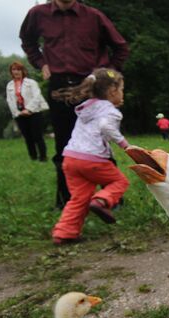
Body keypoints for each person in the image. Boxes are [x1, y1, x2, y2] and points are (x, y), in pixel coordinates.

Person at [20, 0, 129, 209]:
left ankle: (111, 198)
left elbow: (121, 47)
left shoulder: (93, 16)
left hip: (91, 86)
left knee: (101, 139)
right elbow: (28, 41)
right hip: (60, 86)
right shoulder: (38, 14)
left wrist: (104, 77)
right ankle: (67, 200)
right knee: (64, 143)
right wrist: (41, 63)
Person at [50, 68, 131, 245]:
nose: (122, 93)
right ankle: (101, 201)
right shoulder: (110, 111)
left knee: (79, 198)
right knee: (120, 182)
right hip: (93, 160)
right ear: (112, 90)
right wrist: (126, 146)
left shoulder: (87, 108)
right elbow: (106, 127)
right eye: (122, 89)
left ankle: (64, 233)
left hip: (70, 160)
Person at [5, 61, 49, 162]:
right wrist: (17, 112)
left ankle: (43, 157)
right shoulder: (9, 85)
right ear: (11, 72)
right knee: (27, 137)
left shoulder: (31, 83)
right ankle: (33, 157)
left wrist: (28, 109)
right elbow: (9, 100)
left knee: (37, 136)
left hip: (34, 112)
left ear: (23, 71)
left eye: (18, 69)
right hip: (20, 113)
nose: (16, 72)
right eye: (14, 70)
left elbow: (37, 96)